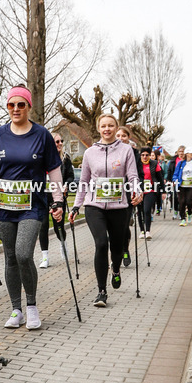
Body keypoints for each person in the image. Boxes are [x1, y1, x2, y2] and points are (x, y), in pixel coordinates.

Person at [0, 86, 64, 330]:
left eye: (21, 105)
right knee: (10, 257)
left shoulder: (42, 135)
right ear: (7, 107)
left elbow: (53, 170)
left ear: (28, 107)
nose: (16, 109)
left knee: (23, 253)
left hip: (33, 205)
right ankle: (16, 309)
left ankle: (31, 306)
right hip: (5, 206)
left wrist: (58, 199)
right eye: (12, 105)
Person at [70, 114, 141, 307]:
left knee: (117, 247)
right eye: (103, 126)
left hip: (119, 207)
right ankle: (101, 291)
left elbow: (133, 176)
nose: (107, 129)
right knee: (101, 244)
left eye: (111, 125)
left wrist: (137, 191)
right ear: (98, 128)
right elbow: (83, 182)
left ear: (116, 127)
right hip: (95, 206)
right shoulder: (90, 153)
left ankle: (116, 269)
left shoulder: (126, 150)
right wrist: (77, 205)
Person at [39, 134, 76, 268]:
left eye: (61, 141)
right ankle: (45, 257)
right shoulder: (41, 157)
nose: (59, 143)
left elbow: (71, 177)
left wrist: (66, 184)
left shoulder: (65, 159)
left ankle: (63, 245)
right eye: (56, 141)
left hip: (58, 197)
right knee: (43, 226)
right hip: (43, 196)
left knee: (58, 226)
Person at [117, 125, 140, 266]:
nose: (120, 138)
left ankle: (125, 250)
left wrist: (137, 191)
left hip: (128, 194)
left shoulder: (135, 154)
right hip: (112, 193)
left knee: (124, 226)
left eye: (123, 136)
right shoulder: (110, 151)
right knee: (112, 227)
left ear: (128, 138)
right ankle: (115, 252)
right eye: (118, 136)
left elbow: (139, 175)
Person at [136, 147, 163, 239]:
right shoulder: (137, 164)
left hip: (151, 190)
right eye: (142, 155)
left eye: (147, 155)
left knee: (147, 210)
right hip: (139, 190)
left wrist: (163, 191)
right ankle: (142, 231)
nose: (144, 157)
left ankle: (147, 231)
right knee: (140, 212)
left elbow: (160, 178)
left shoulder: (154, 164)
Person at [173, 149, 192, 225]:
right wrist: (175, 180)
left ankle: (189, 213)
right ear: (187, 154)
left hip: (191, 186)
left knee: (189, 201)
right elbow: (175, 173)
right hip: (181, 186)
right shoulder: (181, 163)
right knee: (181, 202)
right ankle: (183, 218)